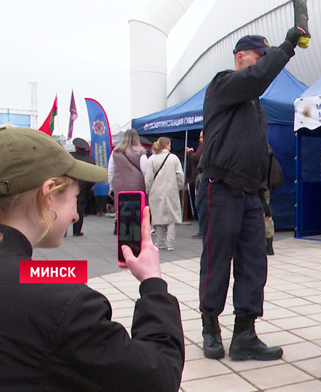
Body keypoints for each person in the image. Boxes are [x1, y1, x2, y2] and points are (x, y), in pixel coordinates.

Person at [0, 127, 184, 391]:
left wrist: (67, 275)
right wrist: (153, 284)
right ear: (48, 195)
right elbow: (159, 376)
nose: (75, 215)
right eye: (75, 197)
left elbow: (20, 275)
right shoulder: (67, 307)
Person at [197, 28, 304, 361]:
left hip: (249, 195)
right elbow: (256, 78)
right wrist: (286, 47)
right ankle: (210, 328)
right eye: (260, 58)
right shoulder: (224, 84)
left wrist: (262, 196)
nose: (263, 67)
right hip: (221, 188)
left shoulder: (254, 105)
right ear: (241, 57)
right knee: (217, 262)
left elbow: (258, 151)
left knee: (254, 264)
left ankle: (244, 333)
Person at [145, 137, 185, 251]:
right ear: (167, 145)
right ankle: (170, 243)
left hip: (156, 191)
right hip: (171, 190)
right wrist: (179, 186)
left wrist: (149, 190)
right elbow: (180, 175)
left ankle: (159, 241)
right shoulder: (173, 158)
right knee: (171, 217)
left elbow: (148, 178)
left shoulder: (151, 159)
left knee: (158, 217)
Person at [108, 129, 148, 234]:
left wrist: (111, 186)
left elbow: (110, 170)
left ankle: (121, 228)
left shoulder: (115, 151)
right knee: (136, 207)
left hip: (119, 184)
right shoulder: (141, 151)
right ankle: (135, 228)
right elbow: (145, 170)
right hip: (137, 184)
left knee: (122, 207)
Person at [69, 137, 96, 237]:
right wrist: (88, 187)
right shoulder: (90, 159)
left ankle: (63, 231)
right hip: (83, 187)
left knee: (66, 207)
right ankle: (77, 231)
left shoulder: (70, 157)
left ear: (76, 147)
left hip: (70, 185)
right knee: (79, 208)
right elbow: (93, 176)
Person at [187, 132, 205, 239]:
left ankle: (202, 230)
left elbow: (197, 158)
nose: (199, 139)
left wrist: (190, 153)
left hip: (200, 178)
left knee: (199, 204)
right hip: (200, 178)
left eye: (201, 137)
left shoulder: (204, 145)